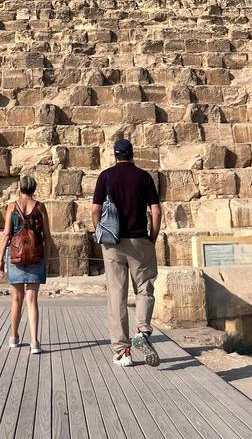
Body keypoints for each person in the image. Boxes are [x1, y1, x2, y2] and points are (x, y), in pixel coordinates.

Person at [92, 138, 162, 368]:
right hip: (140, 240)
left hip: (113, 243)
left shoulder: (106, 177)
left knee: (116, 296)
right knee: (144, 288)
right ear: (132, 154)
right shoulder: (143, 177)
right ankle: (142, 330)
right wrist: (152, 237)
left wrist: (100, 232)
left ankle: (122, 352)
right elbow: (156, 210)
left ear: (115, 156)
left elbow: (95, 210)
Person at [0, 175, 51, 354]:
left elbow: (6, 234)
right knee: (32, 300)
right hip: (36, 256)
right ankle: (34, 342)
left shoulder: (12, 207)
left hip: (16, 257)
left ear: (20, 188)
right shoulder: (40, 207)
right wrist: (48, 258)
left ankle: (14, 337)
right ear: (34, 188)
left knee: (16, 298)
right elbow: (47, 236)